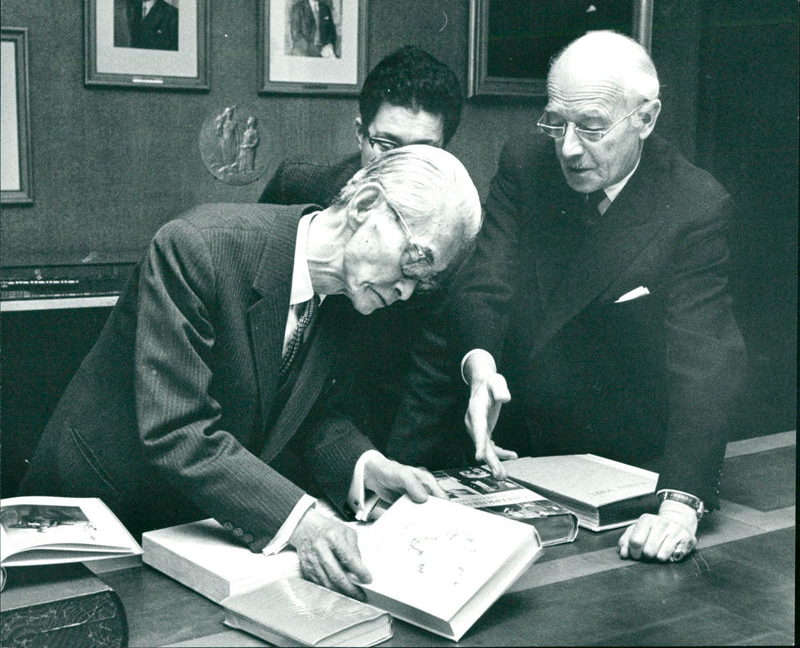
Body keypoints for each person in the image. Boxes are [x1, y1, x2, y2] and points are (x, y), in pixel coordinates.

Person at [18, 145, 482, 598]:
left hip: (201, 530)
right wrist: (302, 522)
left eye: (425, 282)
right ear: (364, 205)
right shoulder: (196, 247)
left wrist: (369, 467)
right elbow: (178, 430)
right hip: (101, 521)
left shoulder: (349, 295)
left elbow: (309, 417)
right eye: (415, 261)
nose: (407, 290)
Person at [387, 31, 746, 564]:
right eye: (557, 122)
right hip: (515, 455)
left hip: (623, 477)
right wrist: (480, 366)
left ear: (646, 119)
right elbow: (486, 279)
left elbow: (706, 362)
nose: (569, 147)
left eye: (593, 127)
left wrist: (679, 505)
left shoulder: (694, 205)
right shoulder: (527, 161)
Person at [258, 45, 464, 451]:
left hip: (381, 424)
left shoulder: (446, 231)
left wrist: (395, 475)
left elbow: (428, 379)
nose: (402, 163)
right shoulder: (298, 187)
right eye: (387, 145)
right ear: (359, 134)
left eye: (422, 151)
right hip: (289, 423)